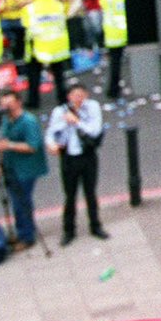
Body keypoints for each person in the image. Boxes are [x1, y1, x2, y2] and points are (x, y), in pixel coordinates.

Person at [45, 84, 107, 244]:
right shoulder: (60, 111)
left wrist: (77, 121)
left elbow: (95, 130)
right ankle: (69, 230)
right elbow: (51, 132)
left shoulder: (92, 108)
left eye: (81, 95)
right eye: (75, 95)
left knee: (90, 193)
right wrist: (52, 144)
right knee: (70, 196)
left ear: (86, 95)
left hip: (87, 155)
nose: (78, 98)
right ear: (69, 97)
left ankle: (95, 225)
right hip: (69, 158)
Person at [0, 89, 47, 248]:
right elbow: (3, 142)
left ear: (19, 102)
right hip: (10, 167)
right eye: (3, 105)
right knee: (16, 202)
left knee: (21, 202)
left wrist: (9, 145)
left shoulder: (28, 121)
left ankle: (27, 236)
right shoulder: (6, 121)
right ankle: (23, 231)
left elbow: (33, 146)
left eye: (9, 104)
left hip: (26, 169)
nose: (6, 108)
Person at [21, 0, 71, 109]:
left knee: (34, 76)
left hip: (38, 47)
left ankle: (34, 101)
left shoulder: (30, 8)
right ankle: (62, 99)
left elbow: (25, 25)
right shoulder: (59, 5)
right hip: (57, 46)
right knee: (59, 75)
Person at [100, 0, 128, 100]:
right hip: (130, 31)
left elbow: (102, 4)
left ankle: (114, 90)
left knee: (115, 63)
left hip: (114, 33)